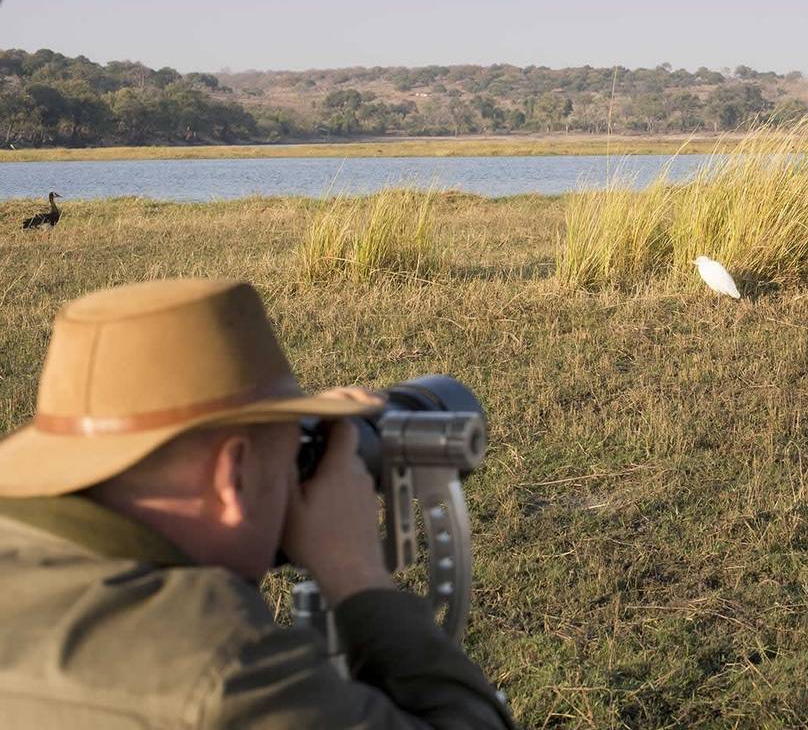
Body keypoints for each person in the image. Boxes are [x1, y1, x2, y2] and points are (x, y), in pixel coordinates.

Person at [0, 278, 513, 728]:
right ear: (232, 475)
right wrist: (357, 576)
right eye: (294, 459)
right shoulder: (222, 669)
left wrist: (278, 438)